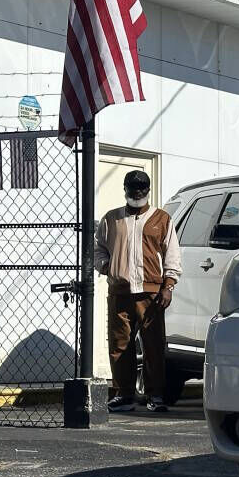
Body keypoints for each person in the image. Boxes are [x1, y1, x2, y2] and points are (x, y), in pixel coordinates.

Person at [93, 170, 181, 413]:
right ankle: (124, 394)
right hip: (120, 291)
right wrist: (106, 267)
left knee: (153, 345)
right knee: (120, 344)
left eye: (142, 188)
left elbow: (172, 254)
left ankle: (156, 395)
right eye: (133, 188)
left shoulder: (161, 219)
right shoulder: (111, 219)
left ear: (148, 190)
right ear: (125, 190)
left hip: (151, 293)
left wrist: (168, 286)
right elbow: (98, 249)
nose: (137, 192)